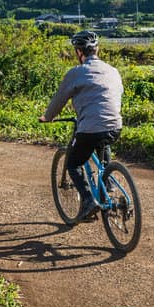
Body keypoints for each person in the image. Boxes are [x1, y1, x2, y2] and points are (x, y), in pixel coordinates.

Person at [39, 30, 123, 222]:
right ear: (97, 49)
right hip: (115, 125)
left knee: (73, 163)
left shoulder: (76, 73)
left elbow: (59, 100)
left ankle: (88, 201)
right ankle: (108, 181)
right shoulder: (113, 70)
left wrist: (48, 117)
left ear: (78, 52)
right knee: (102, 144)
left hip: (89, 128)